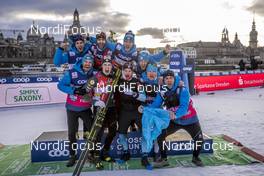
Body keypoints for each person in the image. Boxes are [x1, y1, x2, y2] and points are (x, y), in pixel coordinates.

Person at [148, 70, 204, 167]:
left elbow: (184, 107)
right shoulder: (162, 91)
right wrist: (146, 110)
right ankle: (164, 159)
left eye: (171, 78)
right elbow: (156, 104)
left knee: (199, 140)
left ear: (174, 79)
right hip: (174, 121)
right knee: (160, 134)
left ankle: (195, 157)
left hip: (190, 119)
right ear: (164, 80)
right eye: (167, 78)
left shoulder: (183, 89)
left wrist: (175, 114)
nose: (169, 80)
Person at [57, 54, 94, 167]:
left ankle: (90, 153)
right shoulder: (72, 72)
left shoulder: (93, 74)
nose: (87, 64)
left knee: (90, 133)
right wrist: (74, 91)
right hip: (72, 108)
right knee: (72, 134)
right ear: (82, 62)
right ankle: (72, 156)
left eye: (90, 62)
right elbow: (60, 85)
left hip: (86, 108)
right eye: (86, 62)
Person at [116, 63, 152, 169]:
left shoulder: (137, 82)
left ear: (132, 72)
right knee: (122, 134)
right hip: (124, 111)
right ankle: (126, 153)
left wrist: (134, 94)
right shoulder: (118, 82)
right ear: (122, 71)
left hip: (137, 111)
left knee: (144, 133)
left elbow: (144, 97)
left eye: (129, 71)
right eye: (125, 71)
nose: (127, 73)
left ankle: (144, 156)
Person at [85, 58, 118, 170]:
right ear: (102, 67)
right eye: (105, 65)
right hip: (100, 107)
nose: (107, 67)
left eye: (109, 65)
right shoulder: (96, 78)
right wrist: (96, 102)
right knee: (98, 133)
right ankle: (95, 156)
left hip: (111, 108)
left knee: (113, 131)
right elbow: (86, 93)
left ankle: (105, 152)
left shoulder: (114, 78)